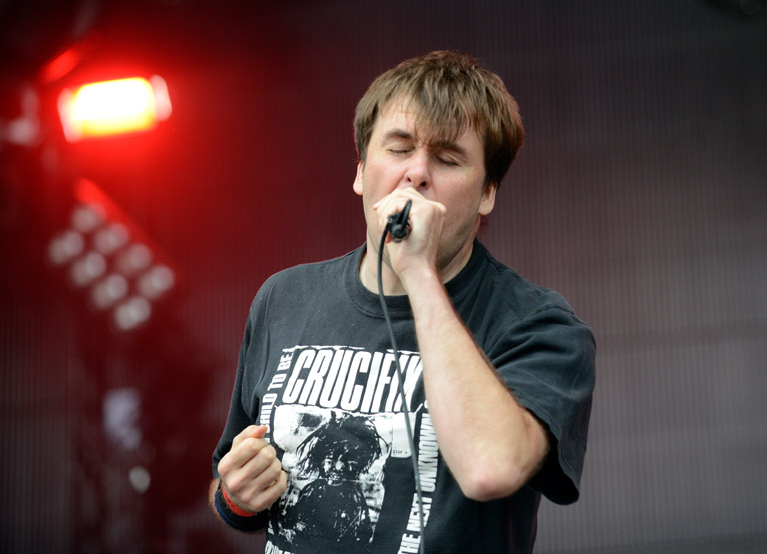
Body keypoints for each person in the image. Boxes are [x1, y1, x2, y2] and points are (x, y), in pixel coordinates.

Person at [209, 50, 596, 554]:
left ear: (487, 194)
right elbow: (233, 488)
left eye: (448, 158)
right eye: (399, 149)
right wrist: (236, 498)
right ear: (360, 171)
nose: (416, 173)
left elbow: (490, 469)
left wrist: (418, 271)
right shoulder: (283, 298)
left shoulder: (539, 326)